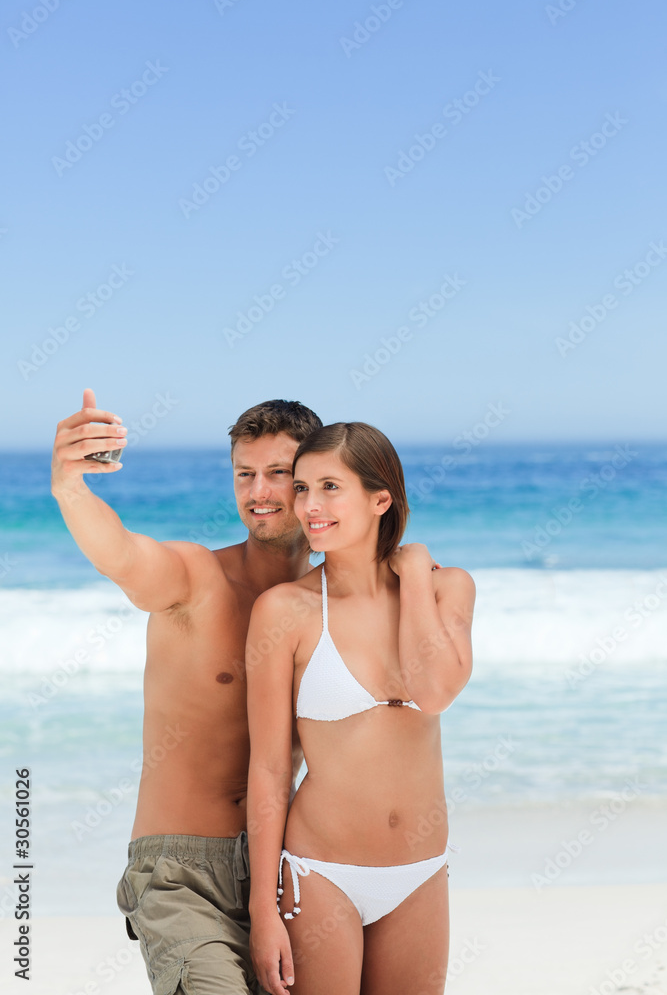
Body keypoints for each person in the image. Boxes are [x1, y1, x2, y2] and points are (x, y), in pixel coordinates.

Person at [50, 388, 322, 995]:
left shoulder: (332, 606)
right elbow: (122, 555)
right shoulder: (198, 578)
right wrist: (71, 489)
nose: (257, 493)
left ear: (314, 482)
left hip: (287, 871)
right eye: (244, 474)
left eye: (278, 474)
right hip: (180, 875)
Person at [245, 422, 475, 995]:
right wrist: (261, 909)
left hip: (420, 873)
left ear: (380, 498)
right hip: (319, 874)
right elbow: (270, 768)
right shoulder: (284, 611)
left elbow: (434, 691)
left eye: (329, 487)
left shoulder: (449, 589)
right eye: (301, 488)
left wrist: (415, 574)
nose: (309, 506)